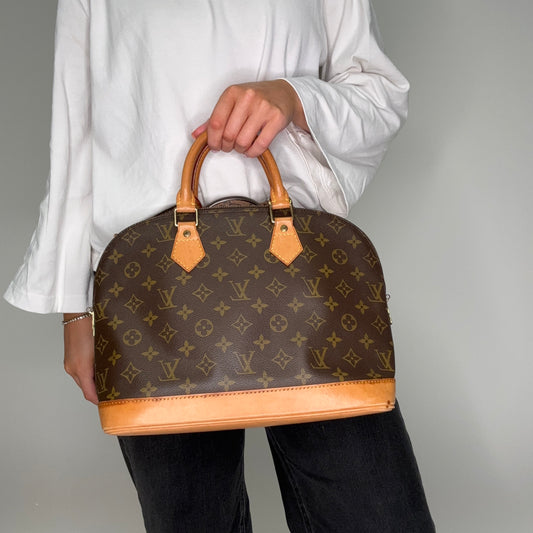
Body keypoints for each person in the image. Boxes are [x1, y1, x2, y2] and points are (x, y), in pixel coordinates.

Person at [4, 1, 435, 531]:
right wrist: (75, 310)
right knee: (192, 520)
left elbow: (381, 96)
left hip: (302, 281)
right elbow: (76, 135)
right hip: (153, 297)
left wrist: (294, 97)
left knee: (378, 516)